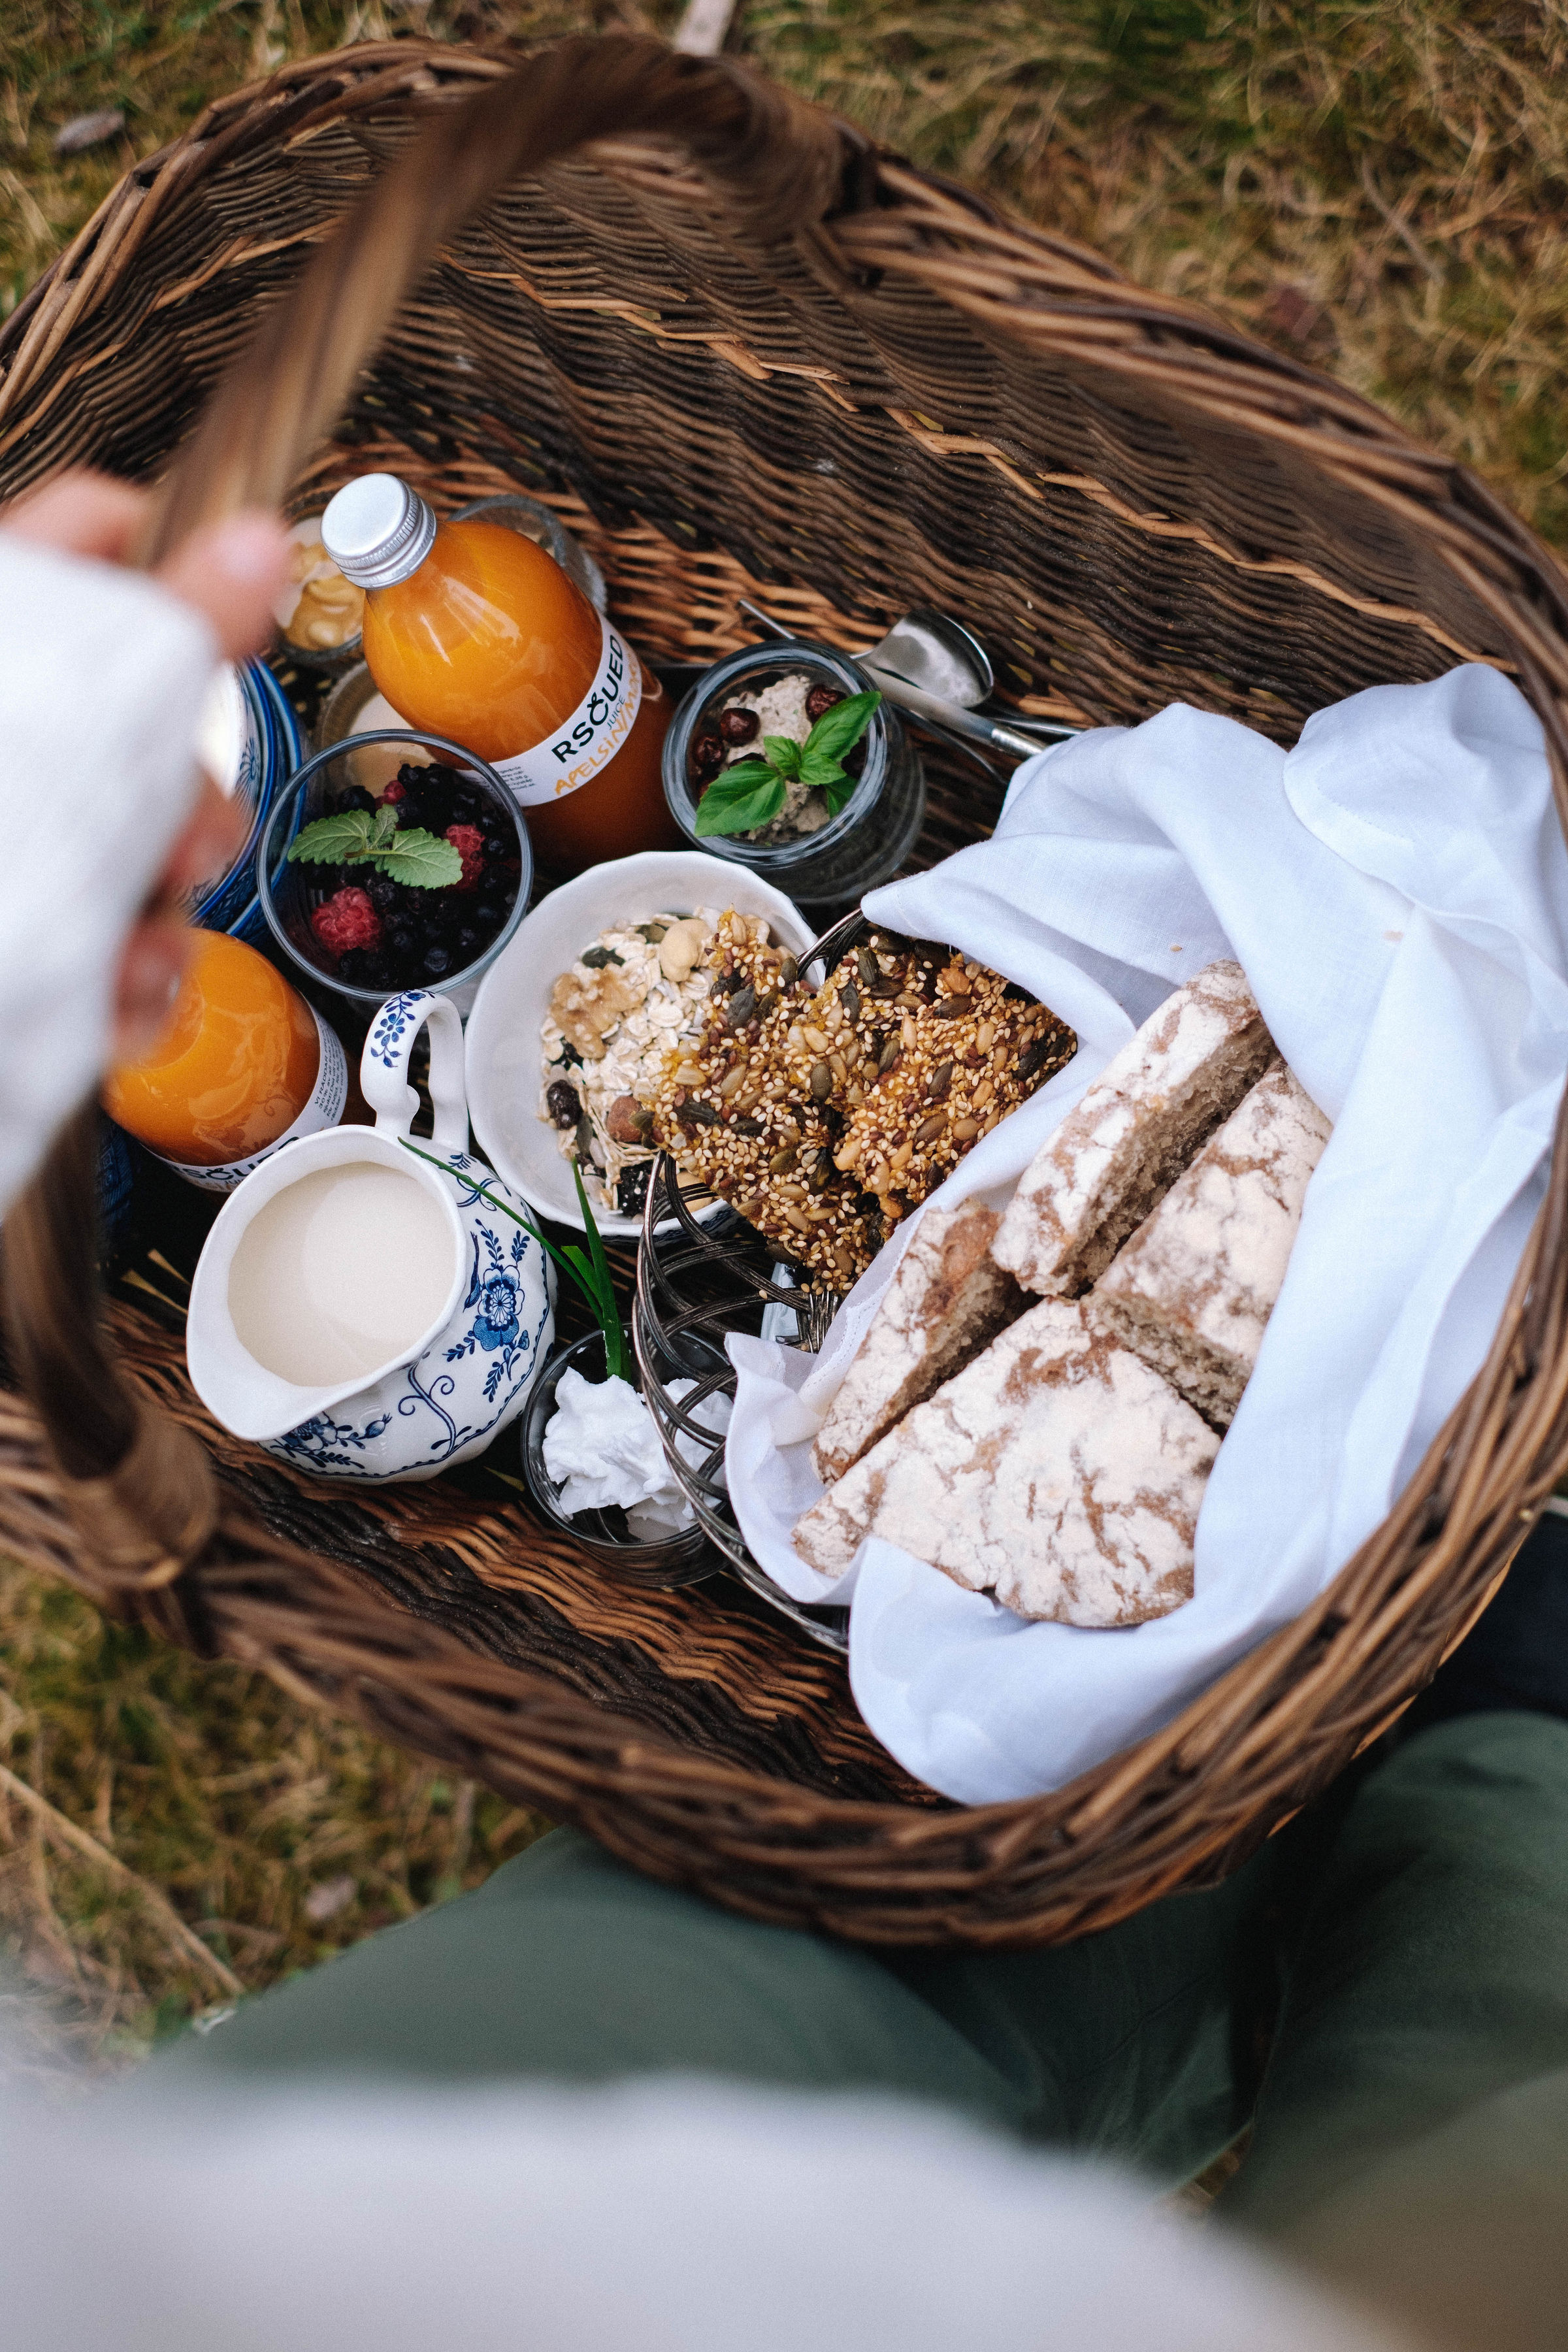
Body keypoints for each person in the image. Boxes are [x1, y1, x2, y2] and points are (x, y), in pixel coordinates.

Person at [2, 471, 1567, 2352]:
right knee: (1476, 2110)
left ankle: (1273, 1839)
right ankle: (1483, 1785)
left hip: (245, 2220)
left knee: (782, 1996)